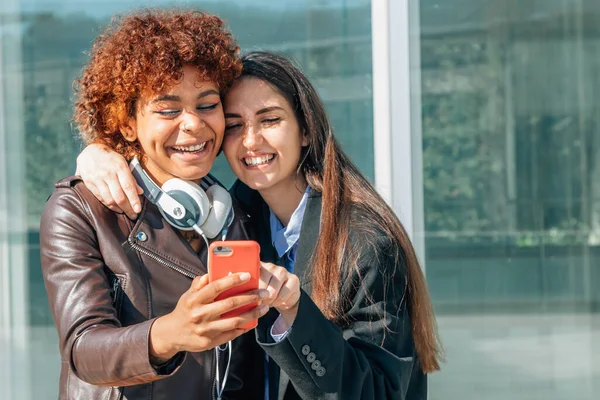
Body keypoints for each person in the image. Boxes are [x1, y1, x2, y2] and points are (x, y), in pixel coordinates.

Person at [76, 51, 443, 399]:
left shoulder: (365, 242)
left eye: (270, 120)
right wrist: (98, 154)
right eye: (235, 125)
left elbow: (378, 392)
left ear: (305, 130)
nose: (251, 141)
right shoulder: (229, 219)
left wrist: (296, 313)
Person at [39, 10, 270, 400]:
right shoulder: (78, 210)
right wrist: (170, 333)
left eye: (207, 105)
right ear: (126, 123)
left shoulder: (234, 212)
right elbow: (83, 351)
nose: (193, 124)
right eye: (167, 110)